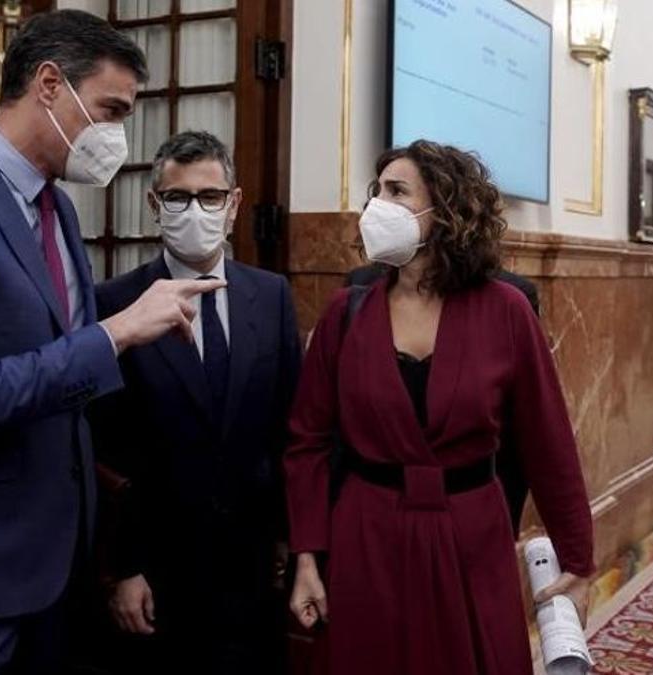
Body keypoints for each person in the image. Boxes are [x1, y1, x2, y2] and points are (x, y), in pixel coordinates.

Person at [0, 11, 223, 673]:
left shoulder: (54, 207)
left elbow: (64, 380)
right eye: (110, 111)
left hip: (56, 566)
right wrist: (115, 332)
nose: (116, 136)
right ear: (50, 84)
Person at [286, 140, 594, 675]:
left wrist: (579, 560)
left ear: (446, 210)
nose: (375, 206)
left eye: (396, 191)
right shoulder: (346, 311)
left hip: (471, 533)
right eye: (375, 191)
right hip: (367, 535)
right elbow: (307, 440)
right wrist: (307, 556)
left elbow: (548, 442)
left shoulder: (507, 311)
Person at [89, 131, 300, 674]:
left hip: (251, 563)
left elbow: (287, 427)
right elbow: (106, 447)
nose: (195, 211)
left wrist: (289, 539)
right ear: (156, 205)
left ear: (233, 205)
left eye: (210, 197)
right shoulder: (114, 302)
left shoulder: (271, 295)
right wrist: (123, 568)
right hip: (159, 568)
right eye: (179, 198)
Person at [345, 265, 540, 534]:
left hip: (471, 516)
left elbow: (529, 428)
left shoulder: (509, 299)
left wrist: (503, 517)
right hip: (373, 520)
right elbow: (324, 426)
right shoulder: (357, 294)